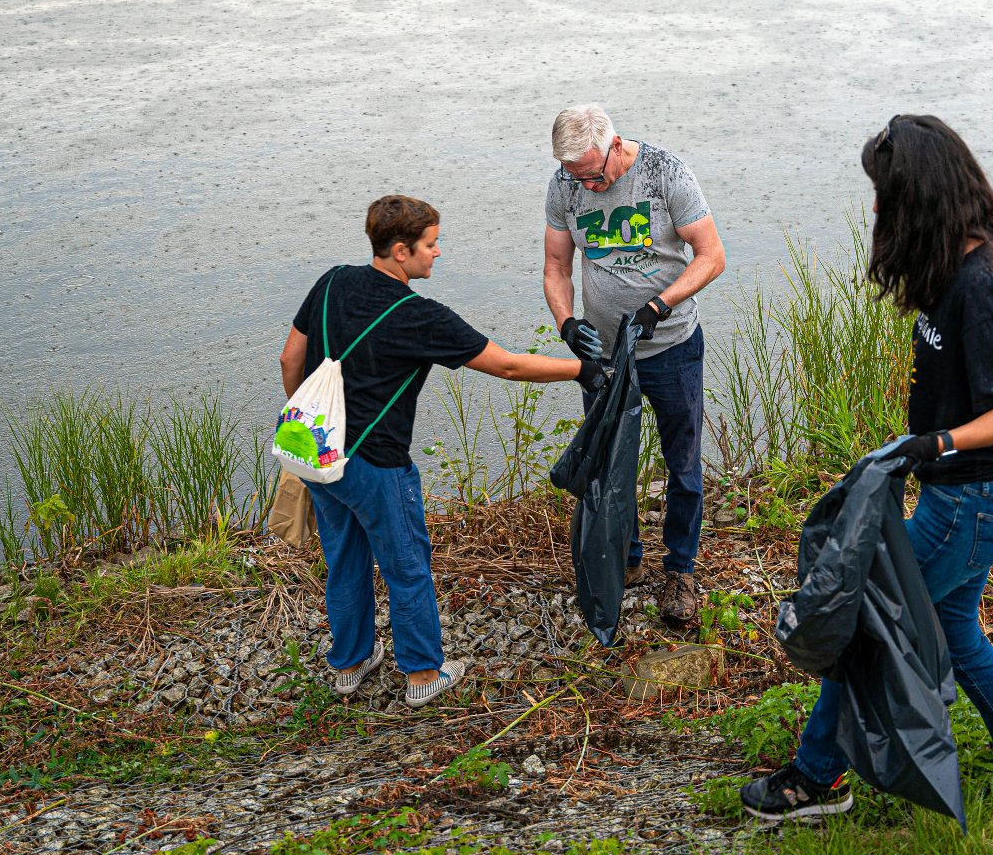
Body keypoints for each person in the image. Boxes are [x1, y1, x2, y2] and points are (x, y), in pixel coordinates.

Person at [740, 114, 993, 822]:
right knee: (952, 633)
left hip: (971, 504)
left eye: (885, 193)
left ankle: (815, 779)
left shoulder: (985, 284)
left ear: (923, 195)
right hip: (968, 501)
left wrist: (934, 445)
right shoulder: (959, 266)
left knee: (864, 629)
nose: (878, 208)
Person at [281, 195, 606, 704]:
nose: (438, 254)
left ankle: (349, 664)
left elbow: (289, 359)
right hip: (377, 463)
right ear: (399, 251)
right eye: (431, 245)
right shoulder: (418, 317)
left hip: (319, 452)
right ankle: (421, 676)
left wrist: (318, 424)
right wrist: (583, 370)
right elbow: (508, 366)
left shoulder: (332, 282)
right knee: (406, 564)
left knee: (343, 558)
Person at [542, 104, 726, 627]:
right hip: (603, 354)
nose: (587, 188)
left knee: (682, 463)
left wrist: (658, 306)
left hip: (671, 345)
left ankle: (680, 571)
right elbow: (556, 267)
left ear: (616, 145)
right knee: (607, 461)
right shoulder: (565, 185)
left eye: (594, 176)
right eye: (576, 177)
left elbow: (711, 256)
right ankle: (628, 558)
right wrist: (566, 323)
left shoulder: (666, 173)